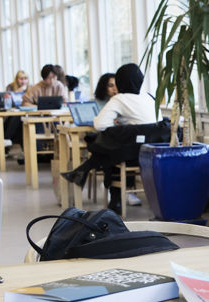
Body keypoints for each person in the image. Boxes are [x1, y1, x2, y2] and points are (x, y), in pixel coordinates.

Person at [61, 63, 156, 212]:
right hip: (152, 153)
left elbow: (100, 125)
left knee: (106, 147)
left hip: (129, 154)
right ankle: (85, 174)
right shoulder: (149, 97)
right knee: (111, 147)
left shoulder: (120, 99)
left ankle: (112, 197)